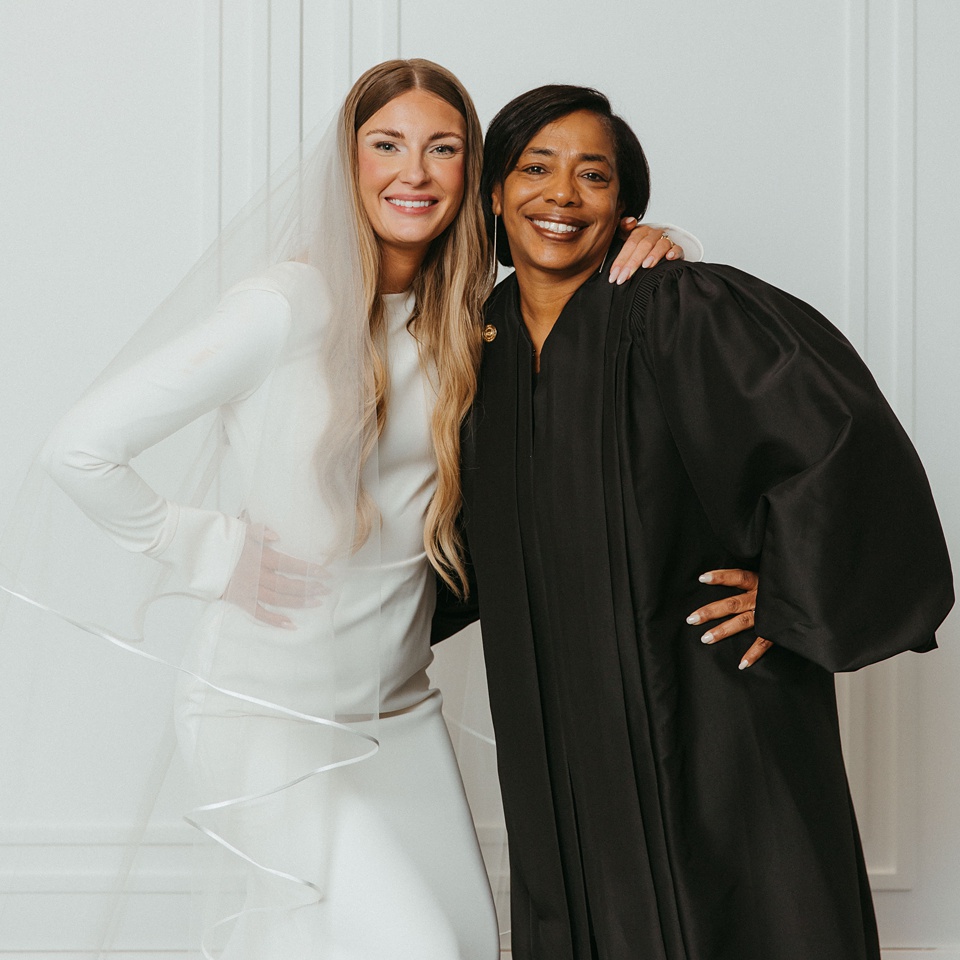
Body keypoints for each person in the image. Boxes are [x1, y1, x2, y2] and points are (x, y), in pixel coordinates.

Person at [0, 62, 710, 958]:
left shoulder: (465, 320)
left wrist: (650, 251)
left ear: (473, 179)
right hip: (266, 717)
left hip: (400, 717)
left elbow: (564, 276)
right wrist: (209, 552)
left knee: (455, 942)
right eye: (387, 145)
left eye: (441, 148)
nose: (413, 172)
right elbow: (80, 445)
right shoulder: (287, 305)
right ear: (349, 162)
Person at [438, 85, 954, 960]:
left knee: (745, 912)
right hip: (555, 724)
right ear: (492, 192)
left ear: (625, 206)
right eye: (535, 168)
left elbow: (839, 435)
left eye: (591, 175)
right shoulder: (472, 343)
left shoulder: (678, 308)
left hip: (709, 703)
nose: (561, 195)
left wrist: (791, 590)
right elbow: (450, 535)